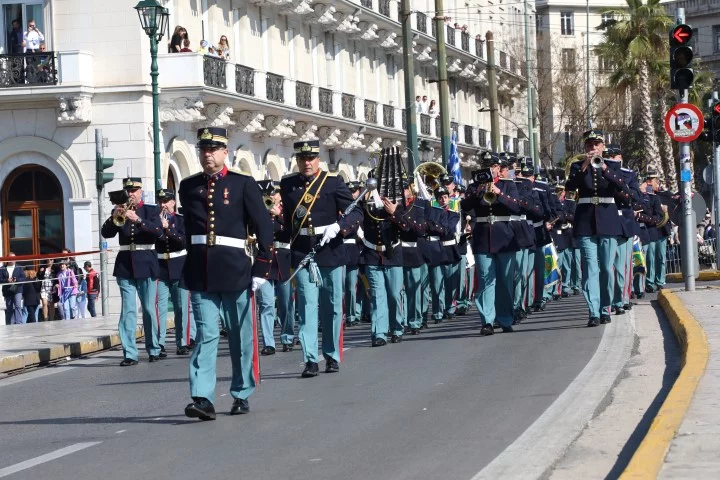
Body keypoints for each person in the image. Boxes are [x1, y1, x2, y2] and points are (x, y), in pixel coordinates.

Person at [180, 127, 274, 420]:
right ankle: (202, 398)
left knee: (239, 336)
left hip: (235, 269)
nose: (207, 155)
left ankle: (242, 392)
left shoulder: (243, 184)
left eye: (213, 149)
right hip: (200, 271)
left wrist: (261, 268)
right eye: (203, 149)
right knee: (206, 335)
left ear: (225, 152)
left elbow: (264, 228)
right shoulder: (188, 186)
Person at [280, 140, 363, 378]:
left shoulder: (333, 182)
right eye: (303, 159)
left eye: (312, 158)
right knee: (306, 307)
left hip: (330, 250)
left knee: (333, 307)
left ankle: (331, 354)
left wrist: (339, 227)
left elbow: (355, 212)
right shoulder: (288, 185)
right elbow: (287, 220)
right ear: (297, 160)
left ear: (318, 159)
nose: (307, 163)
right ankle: (309, 359)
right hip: (303, 252)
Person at [565, 130, 630, 327]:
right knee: (590, 268)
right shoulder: (577, 166)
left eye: (596, 144)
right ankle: (593, 311)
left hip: (608, 220)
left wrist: (604, 169)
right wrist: (584, 167)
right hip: (585, 221)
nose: (593, 148)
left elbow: (624, 189)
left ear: (603, 147)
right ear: (585, 147)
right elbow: (570, 187)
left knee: (605, 269)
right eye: (589, 145)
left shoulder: (612, 166)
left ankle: (605, 308)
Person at [101, 177, 163, 365]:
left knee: (148, 309)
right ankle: (129, 353)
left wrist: (138, 219)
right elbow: (106, 233)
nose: (131, 194)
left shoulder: (151, 210)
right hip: (125, 264)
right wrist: (115, 217)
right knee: (127, 310)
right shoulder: (118, 210)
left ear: (141, 191)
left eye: (135, 190)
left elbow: (159, 231)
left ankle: (153, 348)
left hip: (147, 262)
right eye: (129, 191)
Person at [461, 152, 521, 335]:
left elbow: (517, 208)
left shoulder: (508, 185)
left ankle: (505, 319)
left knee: (504, 281)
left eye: (493, 166)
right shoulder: (473, 186)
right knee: (486, 281)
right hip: (482, 237)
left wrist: (499, 194)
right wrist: (478, 192)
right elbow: (465, 207)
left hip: (504, 236)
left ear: (498, 168)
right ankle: (487, 321)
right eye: (486, 165)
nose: (490, 169)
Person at [155, 188, 193, 355]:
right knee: (159, 308)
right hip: (160, 265)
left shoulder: (181, 220)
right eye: (160, 202)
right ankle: (159, 343)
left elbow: (183, 241)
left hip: (179, 265)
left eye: (166, 201)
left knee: (181, 306)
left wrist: (168, 228)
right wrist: (158, 226)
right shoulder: (154, 220)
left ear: (173, 202)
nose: (163, 205)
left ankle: (182, 342)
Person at [1, 253, 26, 325]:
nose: (14, 260)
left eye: (14, 258)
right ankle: (10, 324)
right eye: (11, 258)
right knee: (9, 307)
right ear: (7, 259)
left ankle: (19, 323)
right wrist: (7, 280)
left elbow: (23, 278)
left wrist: (16, 279)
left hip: (17, 289)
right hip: (7, 290)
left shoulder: (19, 267)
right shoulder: (2, 268)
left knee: (18, 305)